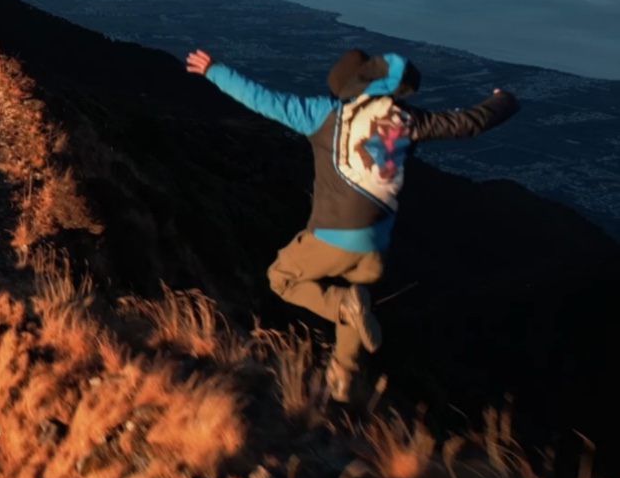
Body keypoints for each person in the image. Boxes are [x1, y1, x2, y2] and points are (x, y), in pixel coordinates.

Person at [186, 47, 519, 401]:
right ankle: (341, 379)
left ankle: (341, 310)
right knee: (356, 298)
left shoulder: (324, 114)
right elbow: (466, 123)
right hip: (376, 248)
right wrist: (503, 101)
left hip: (333, 234)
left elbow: (263, 99)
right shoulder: (407, 120)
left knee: (282, 279)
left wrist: (213, 71)